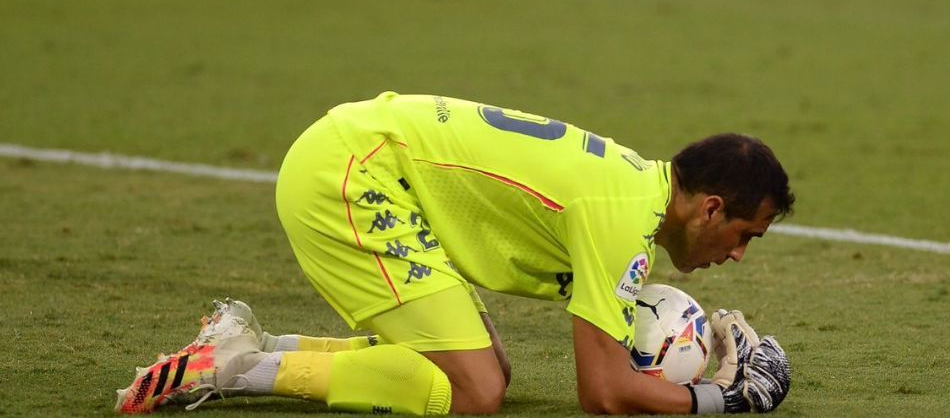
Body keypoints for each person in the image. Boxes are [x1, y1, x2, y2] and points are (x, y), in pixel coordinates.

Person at [116, 92, 794, 415]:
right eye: (745, 234)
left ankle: (254, 343)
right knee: (475, 393)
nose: (737, 256)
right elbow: (605, 395)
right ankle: (234, 369)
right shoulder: (621, 220)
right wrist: (725, 401)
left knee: (484, 368)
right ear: (710, 208)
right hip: (353, 173)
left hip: (364, 158)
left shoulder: (629, 198)